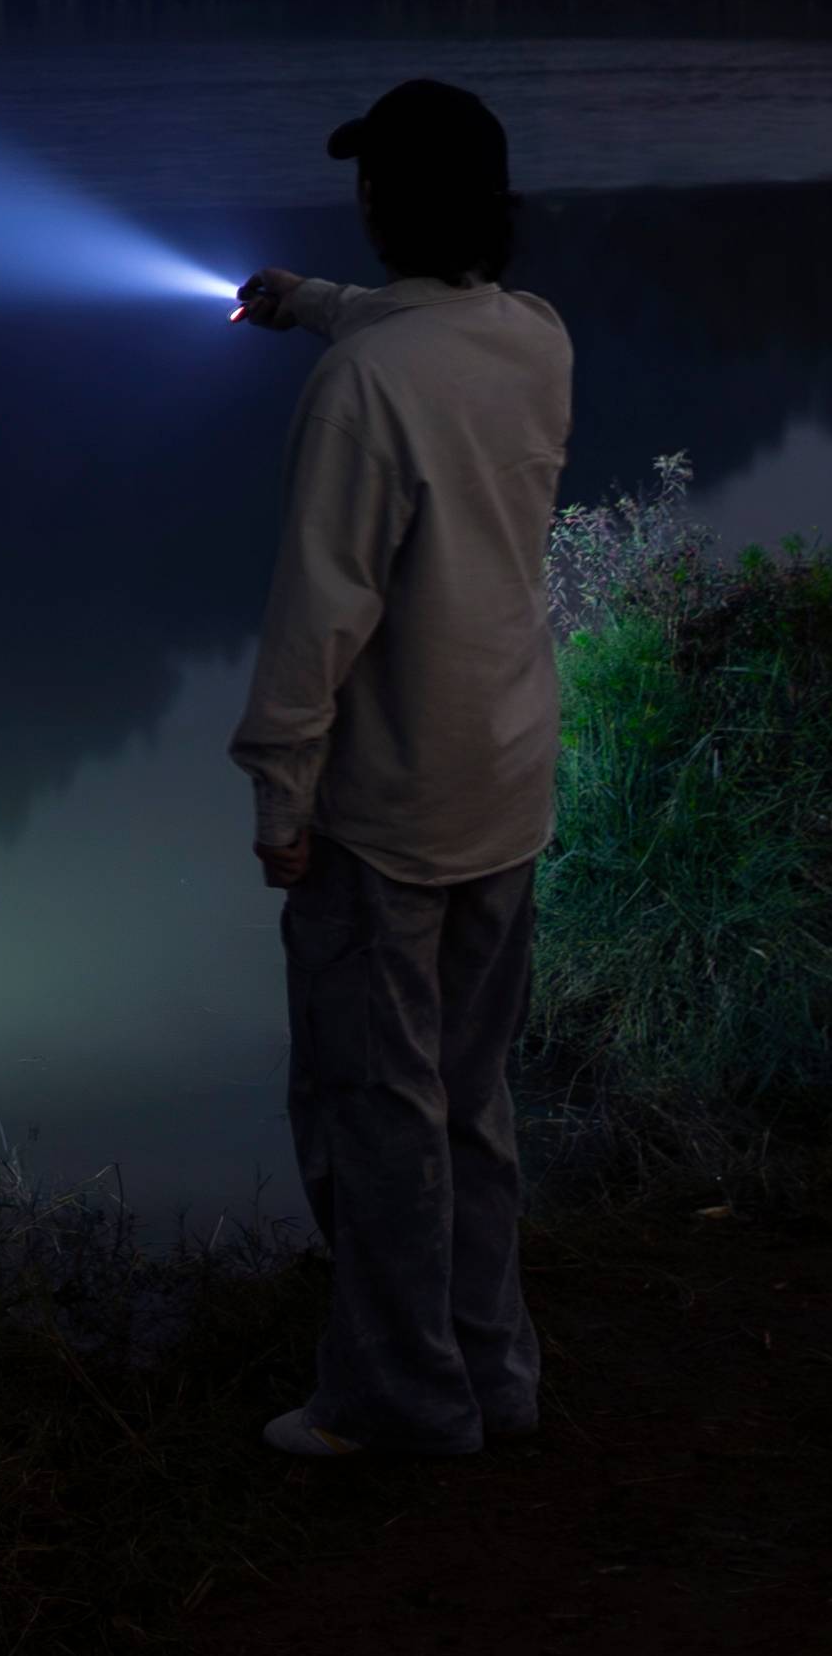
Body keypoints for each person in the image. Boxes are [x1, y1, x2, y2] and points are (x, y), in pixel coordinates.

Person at [226, 76, 572, 1459]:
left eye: (370, 177)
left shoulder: (362, 391)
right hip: (505, 780)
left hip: (387, 809)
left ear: (386, 201)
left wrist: (280, 791)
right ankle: (493, 1370)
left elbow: (319, 614)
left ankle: (399, 1401)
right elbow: (420, 340)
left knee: (372, 1113)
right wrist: (307, 301)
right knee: (470, 1103)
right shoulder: (532, 338)